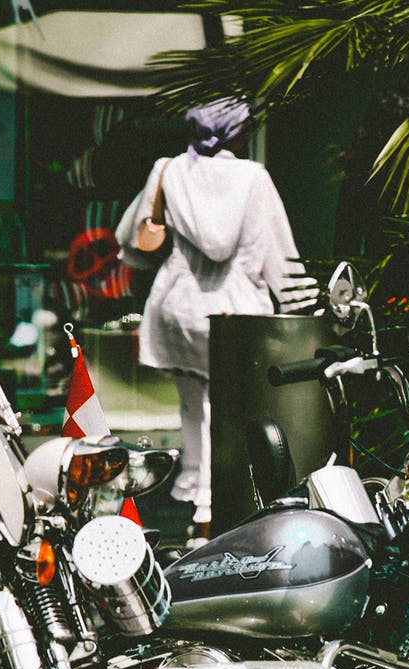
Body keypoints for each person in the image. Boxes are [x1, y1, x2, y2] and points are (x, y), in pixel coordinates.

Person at [115, 98, 306, 536]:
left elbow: (133, 244)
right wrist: (299, 310)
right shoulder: (253, 178)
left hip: (179, 305)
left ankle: (193, 501)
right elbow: (279, 256)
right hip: (234, 305)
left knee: (192, 405)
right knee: (229, 409)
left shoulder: (171, 169)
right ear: (237, 133)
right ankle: (214, 507)